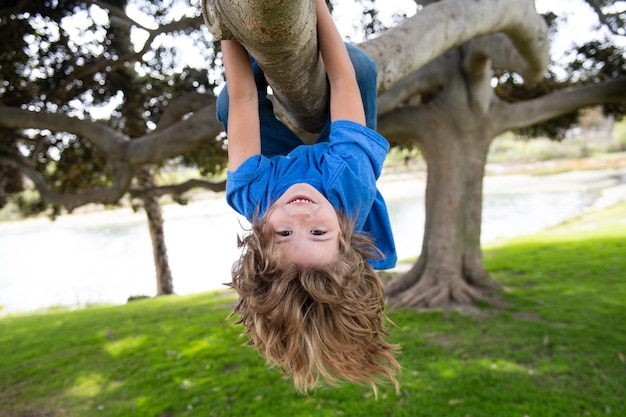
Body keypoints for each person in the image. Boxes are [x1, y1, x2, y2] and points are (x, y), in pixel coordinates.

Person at [216, 0, 400, 395]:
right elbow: (343, 80)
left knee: (225, 101)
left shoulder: (254, 195)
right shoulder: (350, 179)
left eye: (283, 235)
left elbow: (244, 98)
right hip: (334, 172)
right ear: (344, 237)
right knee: (360, 66)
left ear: (260, 235)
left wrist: (226, 24)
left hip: (278, 165)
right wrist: (316, 5)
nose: (300, 217)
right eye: (318, 233)